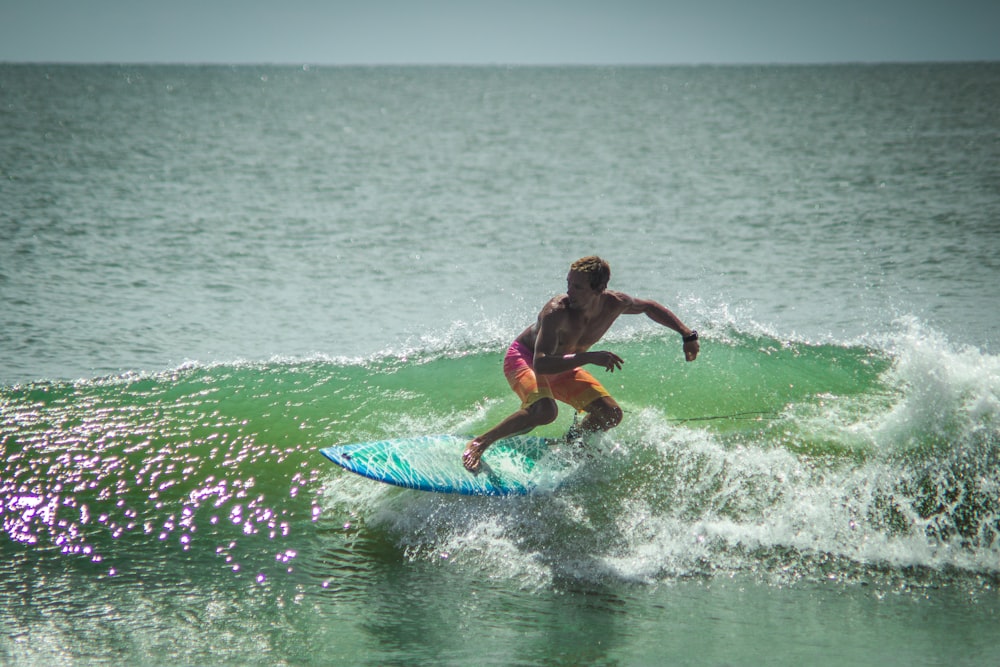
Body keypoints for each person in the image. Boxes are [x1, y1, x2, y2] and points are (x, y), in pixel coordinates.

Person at [462, 256, 700, 473]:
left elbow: (648, 307)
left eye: (577, 287)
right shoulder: (557, 312)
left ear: (599, 289)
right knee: (545, 411)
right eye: (568, 283)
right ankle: (481, 442)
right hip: (526, 359)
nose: (569, 291)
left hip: (564, 364)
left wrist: (686, 334)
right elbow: (541, 363)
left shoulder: (614, 303)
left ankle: (570, 445)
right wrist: (589, 357)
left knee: (610, 414)